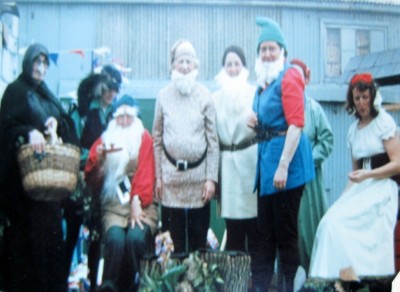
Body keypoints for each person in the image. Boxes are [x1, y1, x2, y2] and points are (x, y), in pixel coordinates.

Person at [0, 43, 79, 291]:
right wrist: (28, 132)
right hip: (23, 195)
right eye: (37, 62)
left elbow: (67, 125)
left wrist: (57, 124)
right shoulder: (15, 92)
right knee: (25, 254)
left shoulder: (46, 94)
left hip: (50, 191)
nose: (40, 67)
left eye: (44, 63)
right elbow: (5, 131)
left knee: (51, 248)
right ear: (27, 63)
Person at [309, 73, 400, 279]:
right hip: (361, 188)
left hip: (383, 187)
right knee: (329, 222)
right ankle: (334, 278)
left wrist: (369, 175)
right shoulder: (353, 131)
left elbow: (397, 164)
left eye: (365, 97)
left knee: (343, 223)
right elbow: (354, 175)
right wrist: (339, 202)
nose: (361, 103)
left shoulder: (383, 122)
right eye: (357, 98)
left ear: (372, 96)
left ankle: (367, 274)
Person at [247, 18, 315, 291]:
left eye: (272, 48)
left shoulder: (290, 76)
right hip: (267, 166)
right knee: (266, 235)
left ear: (283, 51)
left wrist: (284, 166)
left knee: (285, 235)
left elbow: (296, 124)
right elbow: (267, 121)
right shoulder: (263, 84)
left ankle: (293, 287)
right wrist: (255, 122)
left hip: (288, 166)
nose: (266, 54)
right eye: (262, 49)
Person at [85, 95, 158, 291]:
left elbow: (146, 171)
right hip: (114, 207)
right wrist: (99, 162)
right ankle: (110, 285)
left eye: (129, 116)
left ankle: (143, 284)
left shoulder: (144, 138)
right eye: (120, 117)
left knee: (135, 239)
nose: (125, 121)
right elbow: (91, 179)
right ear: (114, 118)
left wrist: (137, 201)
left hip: (142, 204)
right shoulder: (105, 140)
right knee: (116, 240)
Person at [152, 39, 219, 253]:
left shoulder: (205, 96)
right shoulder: (163, 96)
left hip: (199, 182)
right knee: (174, 245)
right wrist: (159, 177)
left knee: (199, 244)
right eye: (180, 61)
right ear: (173, 65)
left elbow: (213, 142)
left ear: (195, 66)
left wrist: (211, 178)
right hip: (171, 182)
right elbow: (157, 138)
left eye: (189, 61)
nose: (184, 66)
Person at [67, 66, 122, 291]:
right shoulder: (82, 111)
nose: (111, 93)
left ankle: (96, 284)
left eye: (115, 89)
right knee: (72, 234)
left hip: (105, 183)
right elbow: (71, 144)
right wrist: (89, 158)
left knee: (99, 239)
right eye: (108, 88)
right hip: (80, 181)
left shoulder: (116, 114)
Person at [212, 46, 258, 255]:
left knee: (255, 228)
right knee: (234, 232)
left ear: (244, 66)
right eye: (228, 64)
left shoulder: (255, 93)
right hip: (227, 168)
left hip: (250, 163)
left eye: (236, 64)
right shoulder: (215, 98)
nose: (232, 69)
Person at [290, 59, 334, 273]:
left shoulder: (314, 109)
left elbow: (326, 141)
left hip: (310, 182)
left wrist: (306, 161)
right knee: (291, 233)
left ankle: (315, 278)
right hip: (286, 181)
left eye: (300, 77)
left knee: (311, 229)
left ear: (306, 80)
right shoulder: (282, 109)